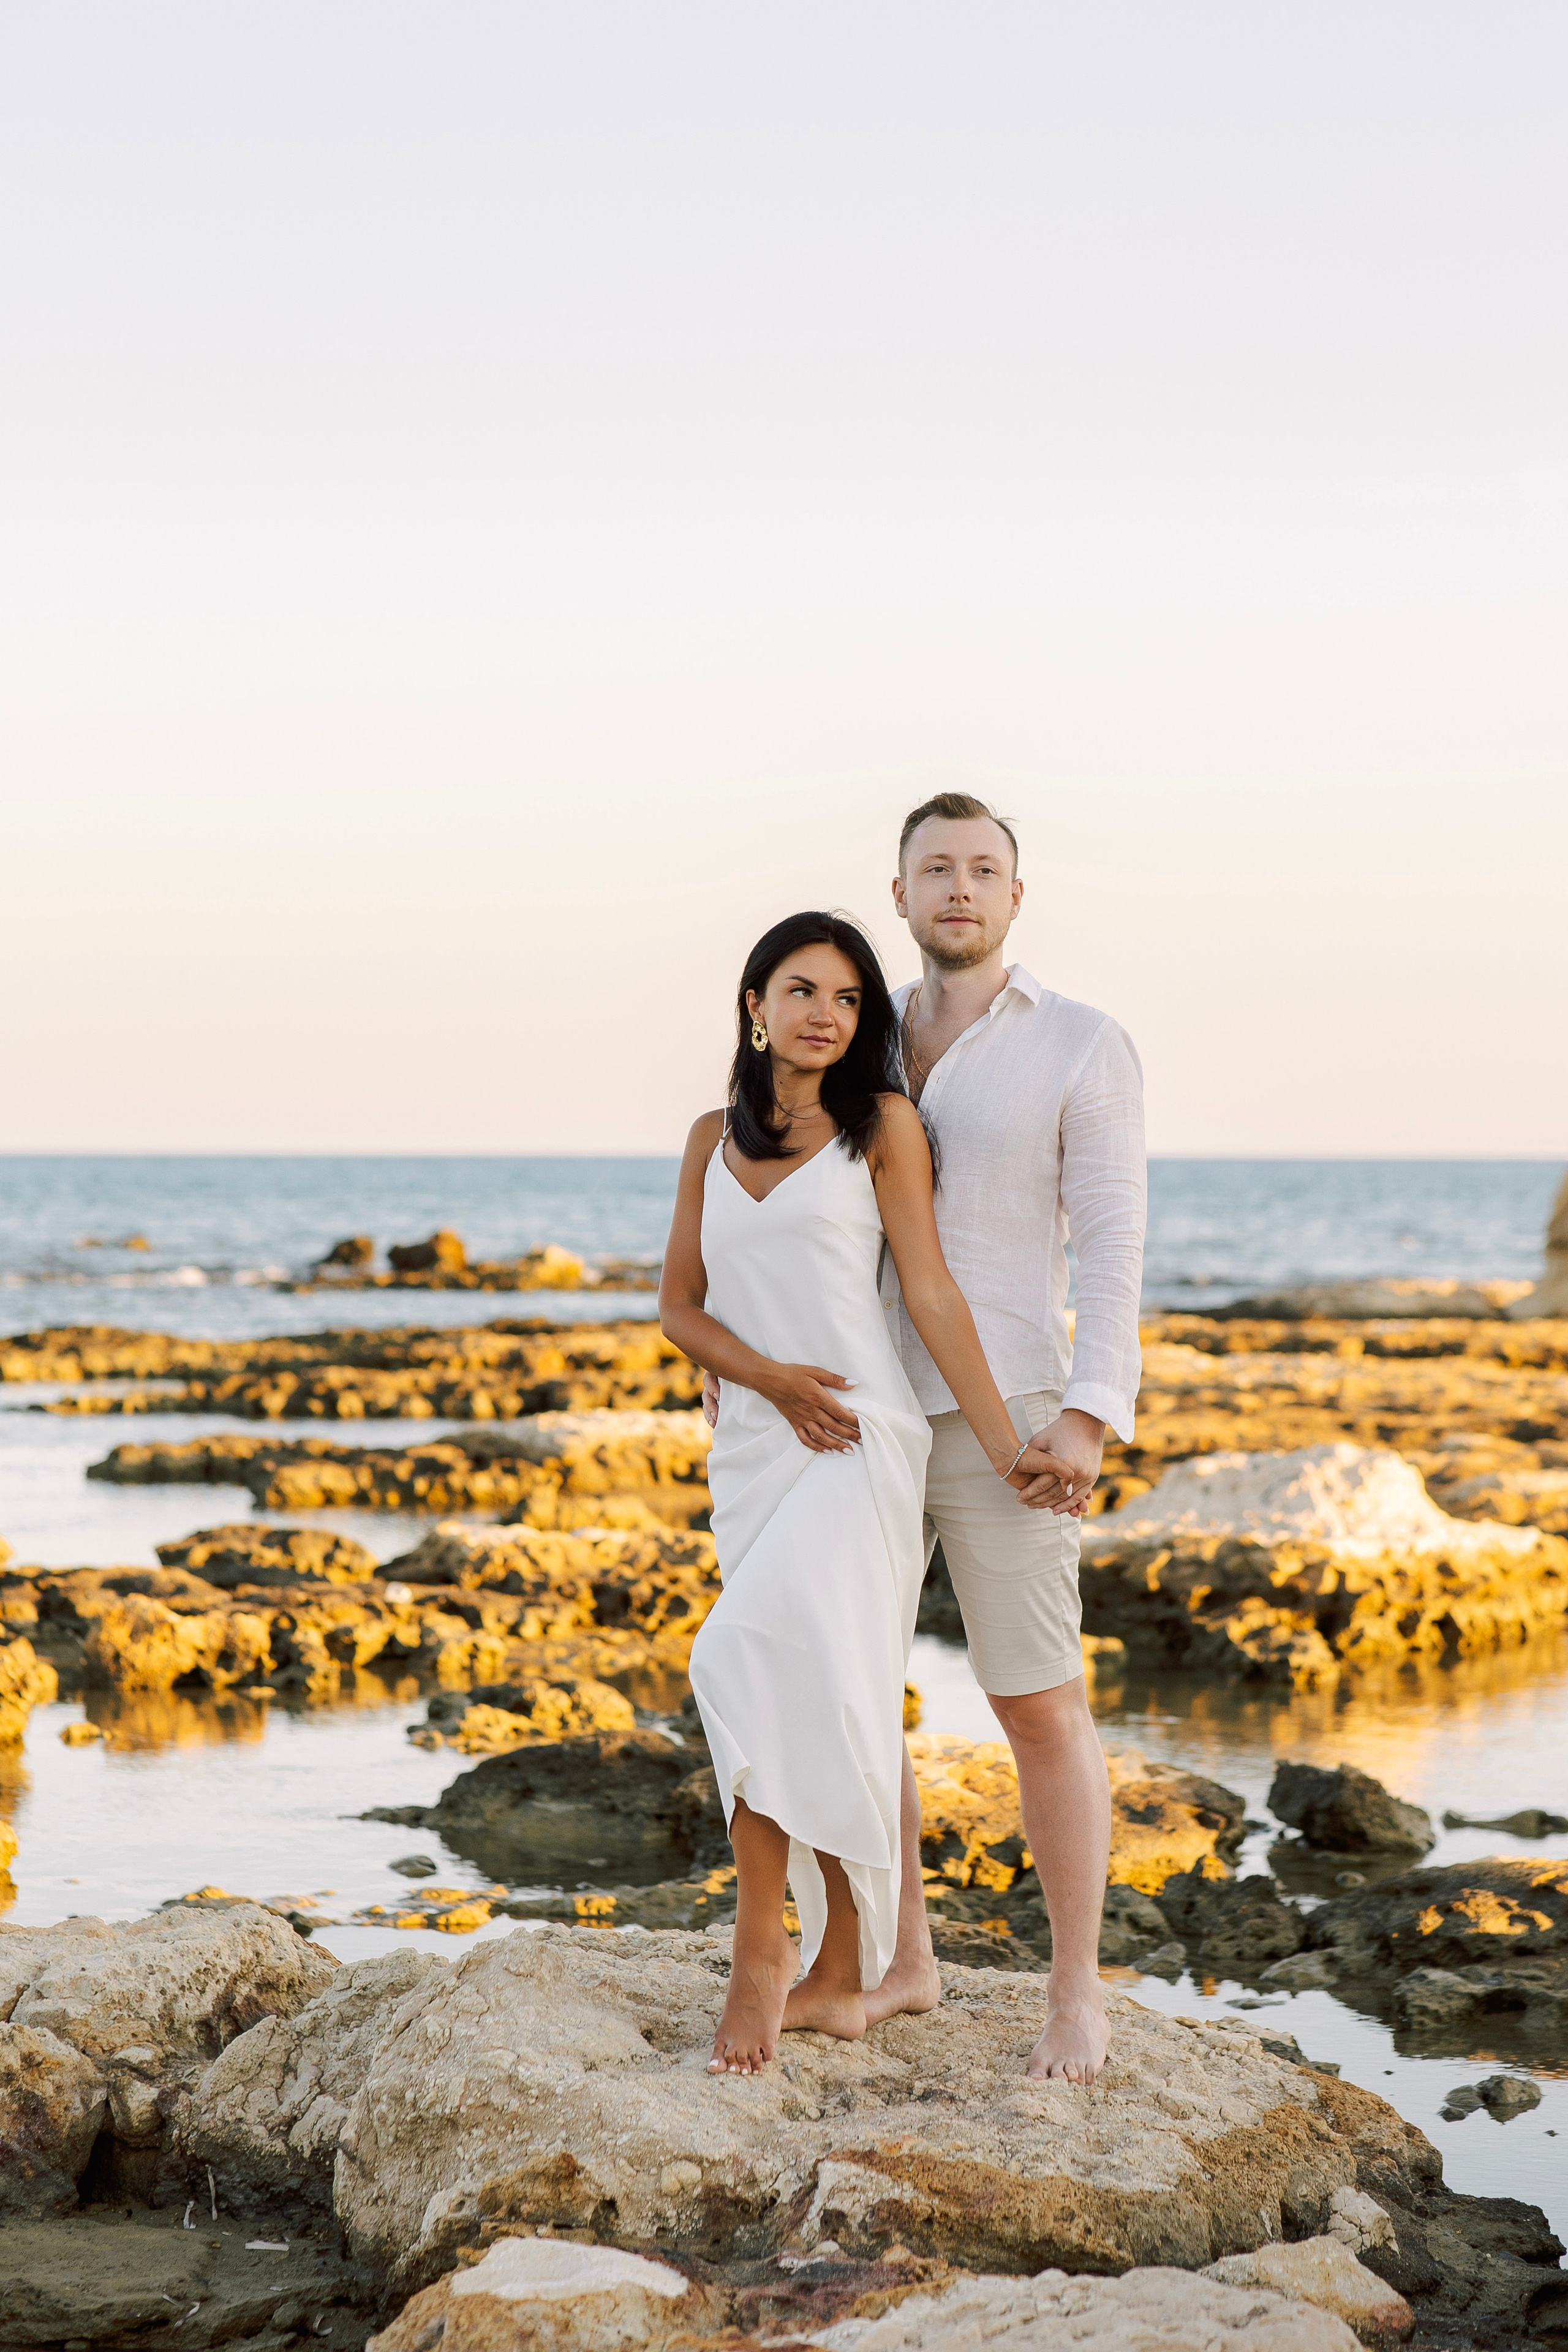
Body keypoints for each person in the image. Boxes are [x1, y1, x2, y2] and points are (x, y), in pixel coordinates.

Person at [704, 797, 1147, 2084]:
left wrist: (1086, 1409)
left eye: (983, 869)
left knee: (1033, 1698)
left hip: (1007, 1414)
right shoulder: (854, 1036)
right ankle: (903, 1962)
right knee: (850, 1690)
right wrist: (742, 1366)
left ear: (1016, 895)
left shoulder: (1080, 1043)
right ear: (896, 893)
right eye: (934, 869)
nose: (959, 887)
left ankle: (1074, 1993)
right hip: (848, 1419)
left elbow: (1113, 1239)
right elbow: (778, 1212)